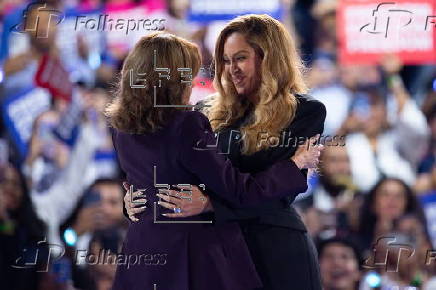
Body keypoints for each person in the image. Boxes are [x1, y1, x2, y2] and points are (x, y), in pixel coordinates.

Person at [107, 32, 322, 290]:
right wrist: (294, 166)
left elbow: (139, 187)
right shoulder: (188, 123)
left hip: (143, 251)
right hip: (194, 252)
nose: (194, 82)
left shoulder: (120, 127)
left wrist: (132, 203)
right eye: (189, 74)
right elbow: (239, 190)